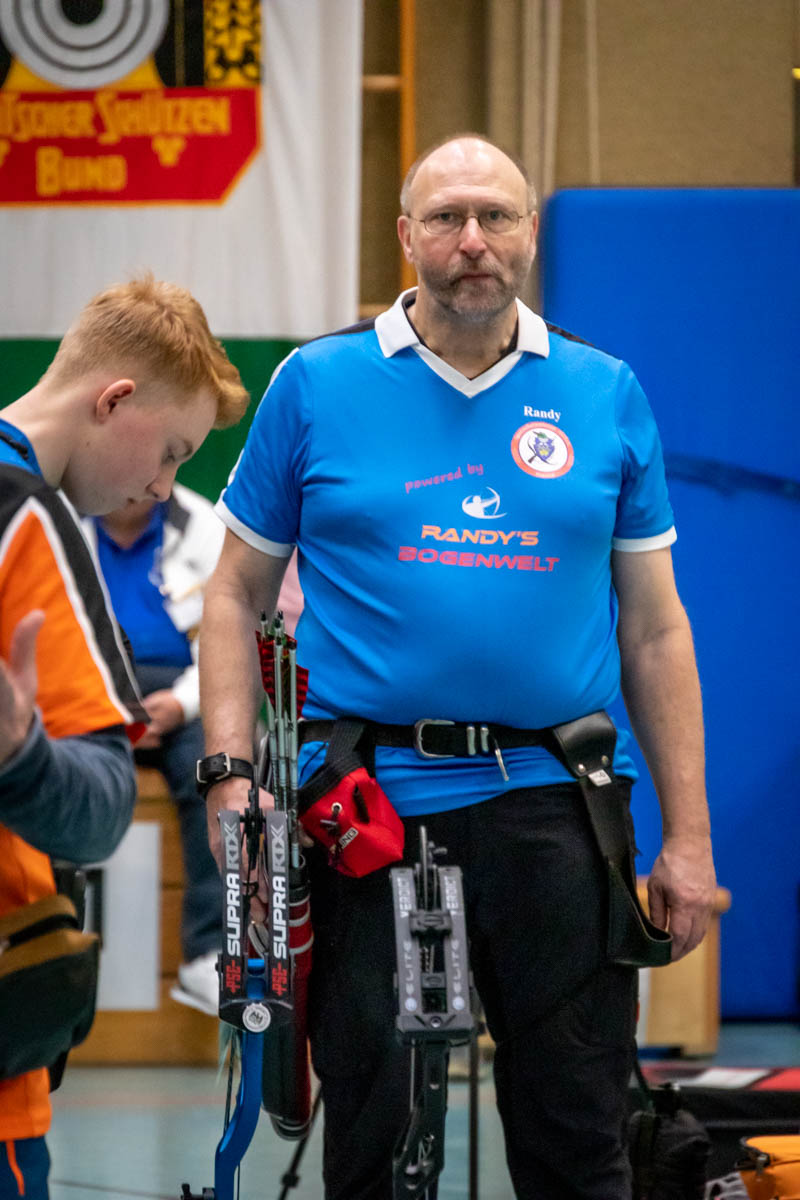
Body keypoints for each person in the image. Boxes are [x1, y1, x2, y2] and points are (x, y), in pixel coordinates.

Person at [198, 135, 716, 1199]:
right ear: (406, 236)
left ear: (530, 233)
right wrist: (228, 774)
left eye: (496, 216)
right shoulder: (316, 383)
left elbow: (656, 630)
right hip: (368, 808)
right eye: (446, 218)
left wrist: (690, 841)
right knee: (377, 1135)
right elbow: (232, 595)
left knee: (577, 1132)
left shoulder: (605, 391)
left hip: (557, 807)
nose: (472, 240)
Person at [0, 275, 249, 1199]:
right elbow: (100, 810)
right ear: (114, 400)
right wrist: (22, 759)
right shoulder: (27, 516)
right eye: (172, 451)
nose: (162, 484)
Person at [83, 486, 227, 1015]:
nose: (151, 481)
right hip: (88, 689)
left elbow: (226, 639)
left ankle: (208, 953)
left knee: (218, 766)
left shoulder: (202, 523)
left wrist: (182, 705)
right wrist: (108, 705)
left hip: (181, 692)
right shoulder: (59, 514)